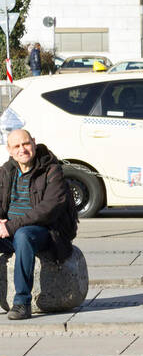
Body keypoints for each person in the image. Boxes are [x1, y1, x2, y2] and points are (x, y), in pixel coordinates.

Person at [0, 130, 78, 321]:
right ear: (9, 150)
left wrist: (12, 226)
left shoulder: (52, 170)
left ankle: (22, 303)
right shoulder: (6, 171)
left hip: (45, 232)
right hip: (10, 230)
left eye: (26, 144)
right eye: (17, 146)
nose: (22, 149)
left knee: (23, 235)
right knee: (19, 234)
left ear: (34, 143)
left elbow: (49, 208)